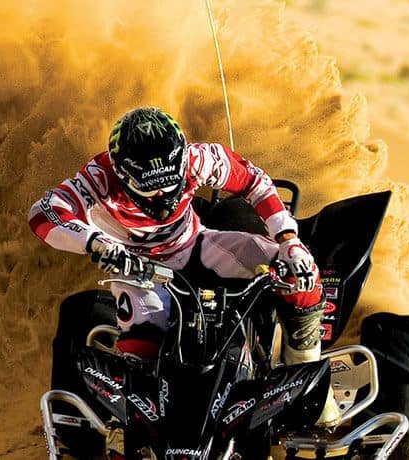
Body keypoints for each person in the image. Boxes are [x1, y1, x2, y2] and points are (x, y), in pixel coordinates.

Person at [29, 106, 338, 426]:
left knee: (300, 269)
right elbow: (44, 212)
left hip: (196, 245)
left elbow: (254, 181)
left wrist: (288, 240)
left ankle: (306, 373)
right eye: (150, 189)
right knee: (141, 349)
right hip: (140, 267)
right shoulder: (99, 177)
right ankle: (139, 423)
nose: (163, 195)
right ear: (122, 173)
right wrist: (96, 243)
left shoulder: (197, 158)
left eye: (170, 184)